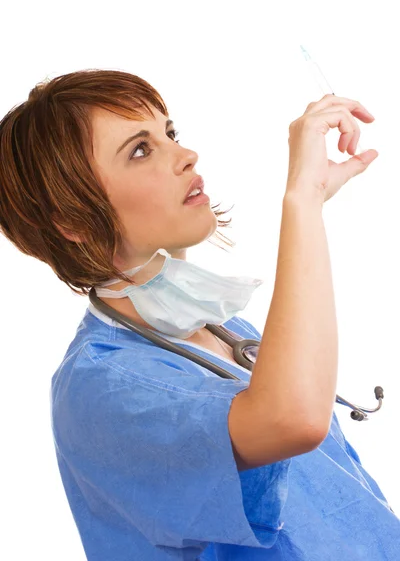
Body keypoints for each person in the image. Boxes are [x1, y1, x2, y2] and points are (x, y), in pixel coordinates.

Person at [0, 69, 398, 560]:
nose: (186, 155)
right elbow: (292, 419)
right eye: (140, 150)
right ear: (72, 221)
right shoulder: (99, 387)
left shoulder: (232, 336)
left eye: (170, 133)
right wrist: (304, 200)